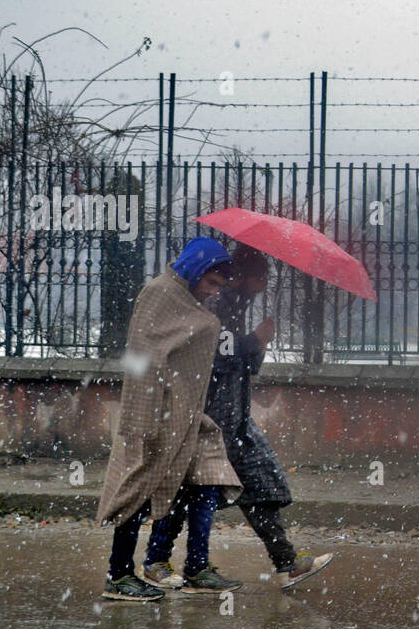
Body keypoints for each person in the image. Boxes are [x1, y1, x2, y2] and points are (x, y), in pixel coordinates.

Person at [140, 244, 334, 590]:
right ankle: (157, 561)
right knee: (189, 491)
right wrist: (252, 341)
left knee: (261, 486)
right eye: (261, 276)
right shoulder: (216, 303)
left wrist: (258, 346)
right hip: (211, 419)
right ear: (245, 276)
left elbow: (242, 364)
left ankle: (287, 563)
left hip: (237, 420)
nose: (264, 284)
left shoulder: (236, 306)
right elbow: (210, 354)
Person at [97, 237, 244, 601]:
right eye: (210, 283)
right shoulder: (160, 295)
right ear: (195, 269)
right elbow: (142, 359)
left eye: (218, 287)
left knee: (207, 480)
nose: (212, 292)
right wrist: (142, 422)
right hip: (155, 415)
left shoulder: (191, 306)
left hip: (190, 417)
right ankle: (119, 575)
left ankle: (194, 565)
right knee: (138, 490)